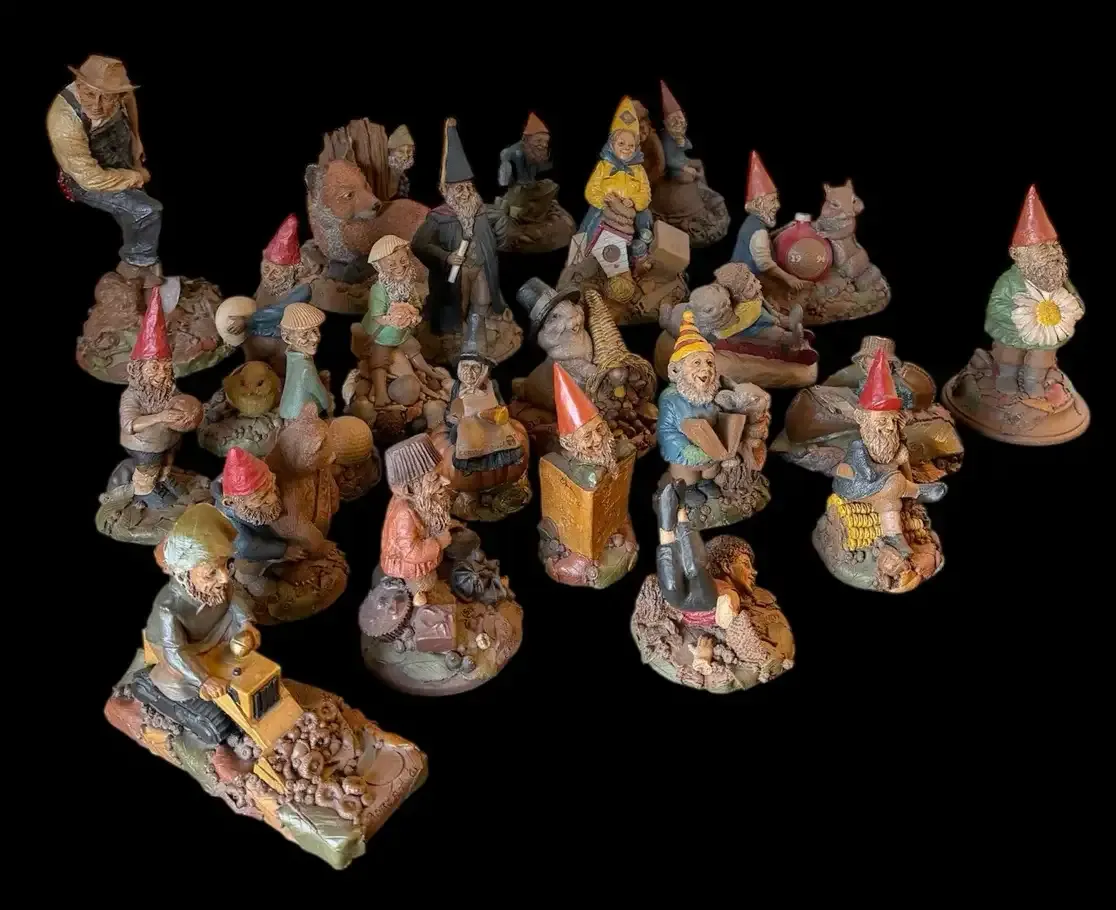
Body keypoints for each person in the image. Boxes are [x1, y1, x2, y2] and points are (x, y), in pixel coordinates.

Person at [47, 55, 164, 287]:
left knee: (133, 212)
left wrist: (136, 137)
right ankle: (136, 263)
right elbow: (91, 178)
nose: (97, 105)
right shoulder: (64, 120)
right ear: (79, 84)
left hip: (118, 156)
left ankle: (138, 245)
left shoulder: (121, 93)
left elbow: (129, 99)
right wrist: (135, 177)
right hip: (87, 179)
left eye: (108, 97)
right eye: (90, 94)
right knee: (147, 211)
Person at [144, 504, 261, 703]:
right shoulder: (168, 607)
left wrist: (245, 622)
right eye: (210, 573)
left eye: (225, 565)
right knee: (177, 681)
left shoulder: (219, 584)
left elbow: (233, 598)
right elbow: (175, 650)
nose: (224, 577)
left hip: (213, 631)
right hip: (183, 648)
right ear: (185, 573)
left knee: (242, 634)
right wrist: (205, 679)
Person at [412, 118, 508, 335]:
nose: (465, 193)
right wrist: (446, 256)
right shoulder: (438, 217)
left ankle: (476, 331)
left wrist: (497, 243)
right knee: (458, 303)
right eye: (459, 188)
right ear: (446, 190)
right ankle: (456, 333)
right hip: (458, 271)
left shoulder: (482, 210)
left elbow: (500, 220)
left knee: (483, 300)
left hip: (481, 266)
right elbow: (419, 244)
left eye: (468, 187)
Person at [118, 290, 201, 503]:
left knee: (168, 460)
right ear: (138, 369)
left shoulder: (169, 388)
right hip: (144, 445)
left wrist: (190, 410)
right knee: (149, 468)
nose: (162, 374)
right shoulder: (132, 395)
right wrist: (160, 417)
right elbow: (130, 424)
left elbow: (180, 400)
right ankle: (145, 492)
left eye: (165, 367)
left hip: (169, 439)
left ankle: (164, 477)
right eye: (154, 367)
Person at [359, 234, 446, 407]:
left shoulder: (407, 284)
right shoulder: (378, 290)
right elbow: (377, 316)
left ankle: (428, 370)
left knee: (413, 348)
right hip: (382, 335)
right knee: (379, 362)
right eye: (391, 265)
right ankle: (381, 393)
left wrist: (414, 315)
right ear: (379, 267)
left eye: (403, 261)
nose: (399, 268)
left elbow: (416, 303)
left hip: (402, 332)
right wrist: (391, 320)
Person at [578, 97, 652, 283]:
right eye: (621, 144)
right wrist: (604, 200)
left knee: (644, 221)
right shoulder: (604, 166)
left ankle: (638, 257)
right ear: (612, 144)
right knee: (593, 227)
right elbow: (591, 190)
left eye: (631, 146)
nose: (626, 149)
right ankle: (591, 261)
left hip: (630, 211)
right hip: (606, 209)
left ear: (636, 147)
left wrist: (634, 201)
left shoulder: (639, 170)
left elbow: (645, 193)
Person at [381, 434, 456, 606]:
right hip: (409, 564)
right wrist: (438, 542)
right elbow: (411, 553)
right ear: (411, 488)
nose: (446, 481)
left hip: (425, 550)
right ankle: (421, 596)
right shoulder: (404, 514)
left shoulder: (420, 501)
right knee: (427, 583)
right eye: (435, 477)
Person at [730, 151, 809, 292]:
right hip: (748, 281)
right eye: (772, 201)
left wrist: (783, 229)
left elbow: (762, 240)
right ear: (759, 204)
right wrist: (789, 278)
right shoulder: (758, 230)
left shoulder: (753, 222)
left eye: (776, 200)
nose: (777, 205)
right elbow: (764, 264)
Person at [278, 303, 331, 419]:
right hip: (302, 415)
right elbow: (321, 395)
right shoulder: (305, 367)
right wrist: (329, 404)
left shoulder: (292, 355)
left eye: (315, 330)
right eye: (305, 334)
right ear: (287, 337)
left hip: (288, 408)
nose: (315, 338)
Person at [387, 125, 415, 199]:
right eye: (401, 151)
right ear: (391, 152)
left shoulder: (403, 176)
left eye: (409, 151)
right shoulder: (385, 174)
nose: (406, 156)